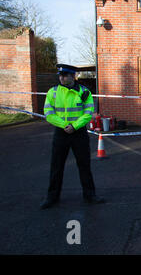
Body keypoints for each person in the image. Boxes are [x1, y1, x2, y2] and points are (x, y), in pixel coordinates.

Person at [40, 64, 105, 209]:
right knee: (56, 166)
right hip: (61, 132)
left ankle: (90, 195)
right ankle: (52, 197)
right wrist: (64, 125)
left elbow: (88, 114)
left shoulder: (84, 92)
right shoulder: (53, 92)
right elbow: (48, 113)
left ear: (73, 76)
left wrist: (74, 126)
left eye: (65, 75)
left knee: (84, 165)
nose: (62, 78)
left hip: (79, 133)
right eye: (60, 75)